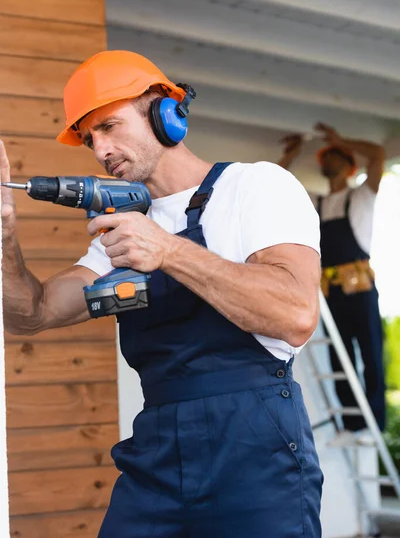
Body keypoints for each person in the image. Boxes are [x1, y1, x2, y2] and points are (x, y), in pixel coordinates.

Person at [2, 50, 323, 537]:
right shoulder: (124, 235)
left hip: (255, 448)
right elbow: (33, 313)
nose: (100, 151)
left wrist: (168, 251)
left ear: (162, 109)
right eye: (90, 139)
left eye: (109, 126)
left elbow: (296, 313)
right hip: (156, 450)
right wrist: (4, 238)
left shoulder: (255, 187)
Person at [278, 123, 386, 438]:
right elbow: (277, 185)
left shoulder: (362, 195)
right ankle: (352, 422)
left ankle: (374, 421)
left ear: (348, 163)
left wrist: (341, 138)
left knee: (370, 352)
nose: (327, 161)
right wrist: (291, 154)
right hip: (330, 291)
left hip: (361, 288)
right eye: (327, 156)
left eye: (334, 155)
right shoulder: (317, 203)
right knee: (340, 358)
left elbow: (378, 154)